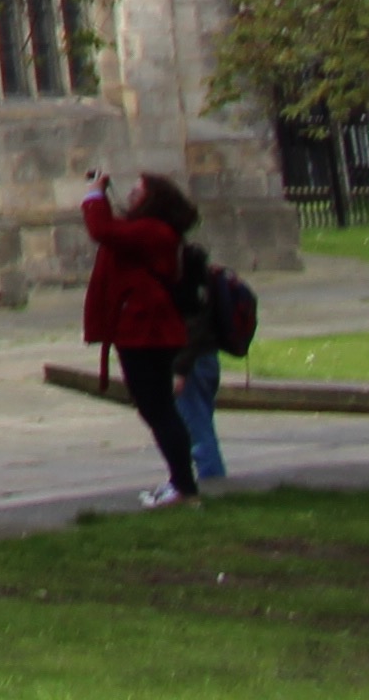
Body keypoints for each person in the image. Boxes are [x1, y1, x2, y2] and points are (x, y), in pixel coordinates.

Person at [80, 169, 202, 504]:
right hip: (141, 329)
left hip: (146, 330)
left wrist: (93, 194)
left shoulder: (153, 231)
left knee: (157, 409)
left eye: (139, 192)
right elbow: (112, 231)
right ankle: (180, 482)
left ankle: (184, 486)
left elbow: (101, 229)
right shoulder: (148, 230)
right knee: (156, 408)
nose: (132, 196)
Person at [173, 208, 242, 489]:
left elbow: (193, 324)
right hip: (205, 358)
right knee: (200, 425)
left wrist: (180, 369)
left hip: (195, 360)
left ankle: (214, 487)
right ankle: (211, 481)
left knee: (198, 431)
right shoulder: (195, 262)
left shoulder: (185, 268)